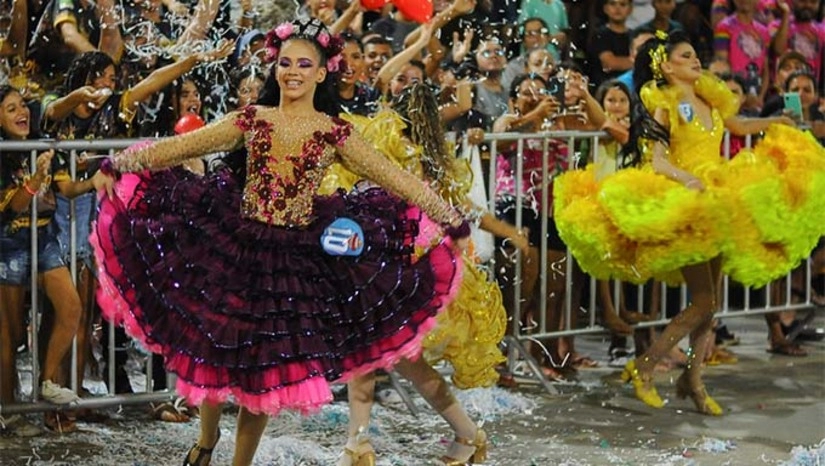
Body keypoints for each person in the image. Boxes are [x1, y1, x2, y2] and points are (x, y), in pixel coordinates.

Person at [90, 18, 471, 466]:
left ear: (322, 71)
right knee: (214, 353)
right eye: (285, 63)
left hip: (294, 264)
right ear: (275, 68)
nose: (292, 72)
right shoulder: (253, 119)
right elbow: (182, 147)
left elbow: (399, 180)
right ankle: (207, 440)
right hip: (236, 246)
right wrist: (118, 162)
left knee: (261, 379)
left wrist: (453, 222)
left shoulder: (334, 132)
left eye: (303, 64)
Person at [553, 30, 825, 415]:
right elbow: (659, 160)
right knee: (702, 302)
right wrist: (688, 180)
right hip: (688, 204)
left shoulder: (709, 99)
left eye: (695, 54)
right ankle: (645, 367)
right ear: (666, 65)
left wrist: (777, 119)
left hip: (716, 201)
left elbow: (736, 126)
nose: (696, 60)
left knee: (710, 306)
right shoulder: (666, 103)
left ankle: (693, 380)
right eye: (686, 56)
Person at [322, 83, 527, 465]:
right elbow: (461, 210)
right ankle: (361, 444)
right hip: (391, 267)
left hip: (392, 268)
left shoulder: (381, 140)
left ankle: (459, 435)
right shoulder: (428, 155)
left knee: (388, 359)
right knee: (380, 358)